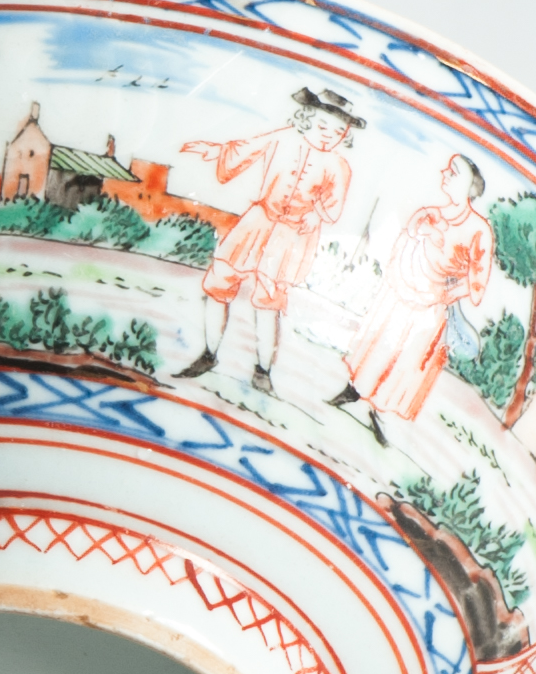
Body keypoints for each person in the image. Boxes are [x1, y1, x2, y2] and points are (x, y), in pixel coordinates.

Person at [176, 86, 365, 395]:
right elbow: (245, 149)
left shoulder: (338, 166)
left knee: (269, 299)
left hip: (292, 235)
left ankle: (262, 370)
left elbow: (333, 206)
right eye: (322, 126)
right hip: (258, 221)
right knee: (221, 280)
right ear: (307, 118)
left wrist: (316, 214)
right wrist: (215, 151)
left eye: (337, 132)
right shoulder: (283, 139)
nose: (328, 136)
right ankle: (208, 353)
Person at [331, 153, 492, 443]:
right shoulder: (433, 211)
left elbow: (477, 281)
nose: (444, 173)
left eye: (453, 172)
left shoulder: (479, 230)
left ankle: (379, 414)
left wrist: (446, 293)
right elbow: (408, 234)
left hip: (430, 305)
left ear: (468, 185)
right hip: (403, 288)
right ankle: (354, 390)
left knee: (406, 359)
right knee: (379, 341)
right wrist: (422, 233)